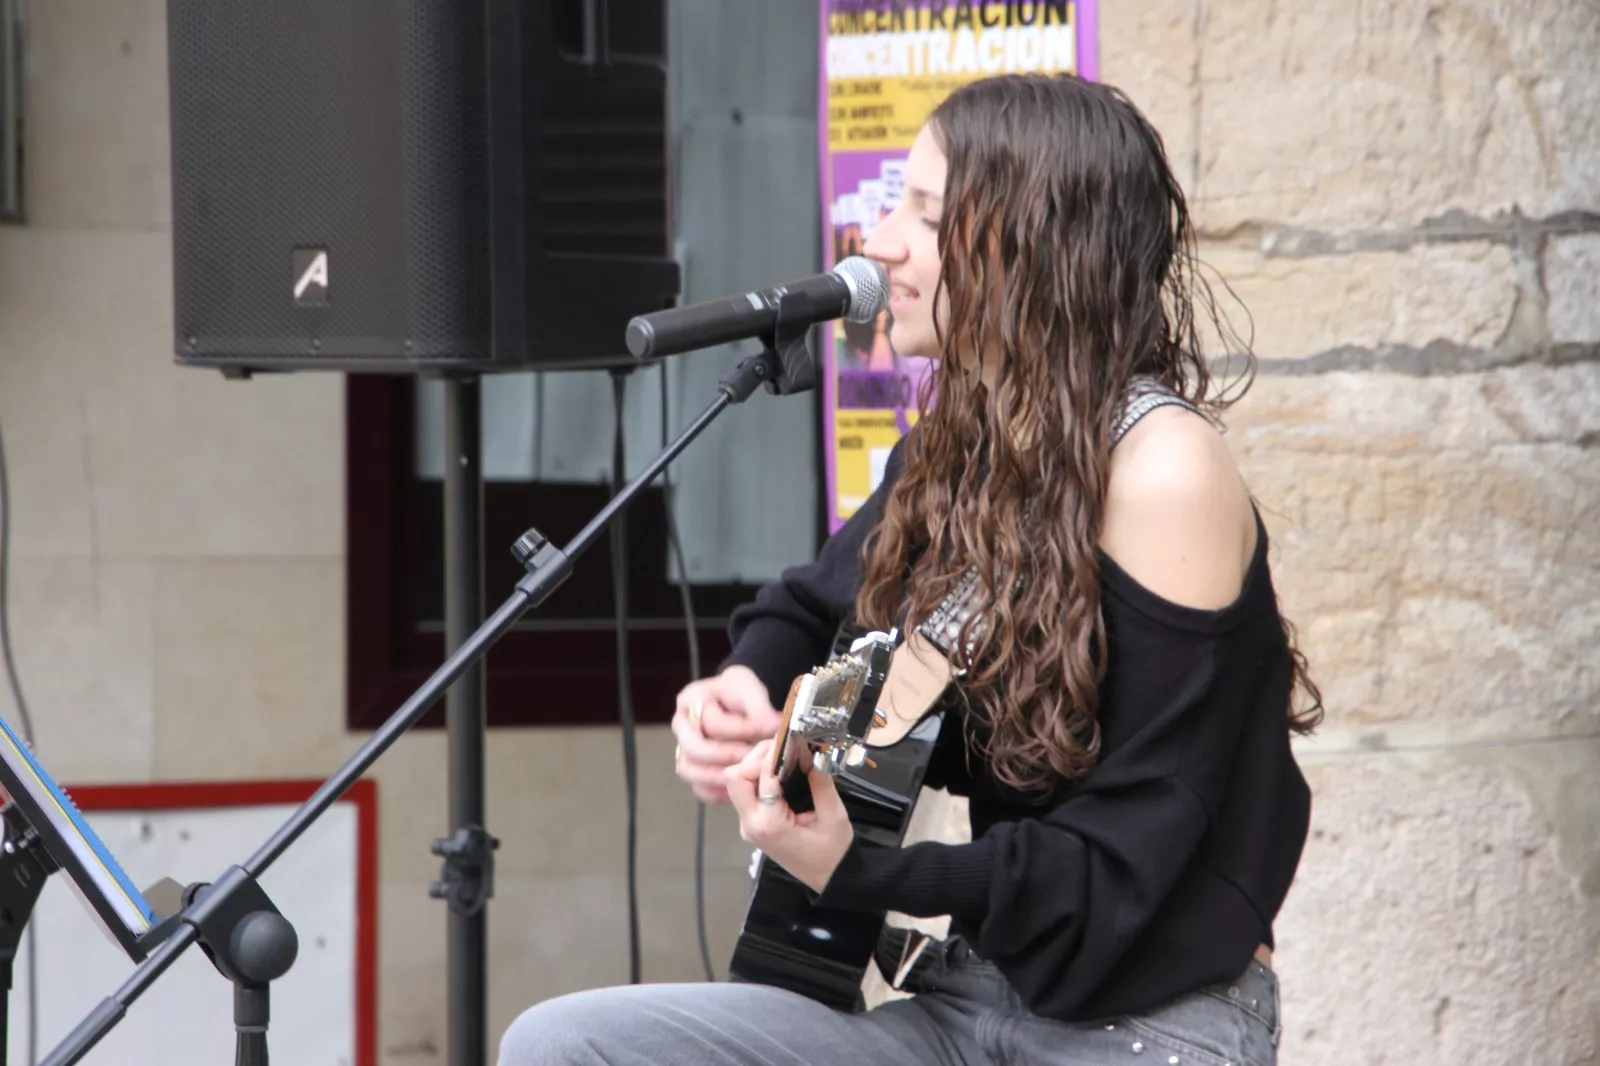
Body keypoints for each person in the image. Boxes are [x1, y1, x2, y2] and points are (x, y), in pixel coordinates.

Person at [498, 71, 1322, 1066]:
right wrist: (743, 690)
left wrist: (859, 871)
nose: (878, 242)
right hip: (964, 1002)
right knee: (565, 1043)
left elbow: (1113, 869)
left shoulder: (1163, 471)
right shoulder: (958, 456)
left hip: (1141, 1030)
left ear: (1031, 247)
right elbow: (807, 605)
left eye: (923, 214)